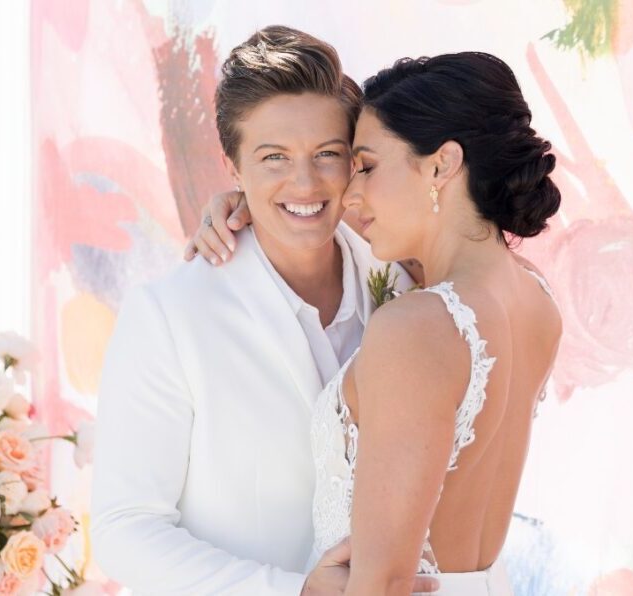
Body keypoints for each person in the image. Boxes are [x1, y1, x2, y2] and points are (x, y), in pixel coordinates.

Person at [192, 52, 563, 595]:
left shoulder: (416, 326)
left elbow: (384, 581)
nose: (351, 192)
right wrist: (252, 199)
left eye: (364, 165)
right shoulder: (532, 294)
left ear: (441, 165)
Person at [90, 26, 439, 596]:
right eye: (273, 157)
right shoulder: (169, 316)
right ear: (233, 165)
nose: (305, 182)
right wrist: (292, 591)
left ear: (354, 160)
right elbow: (124, 529)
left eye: (327, 154)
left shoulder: (403, 286)